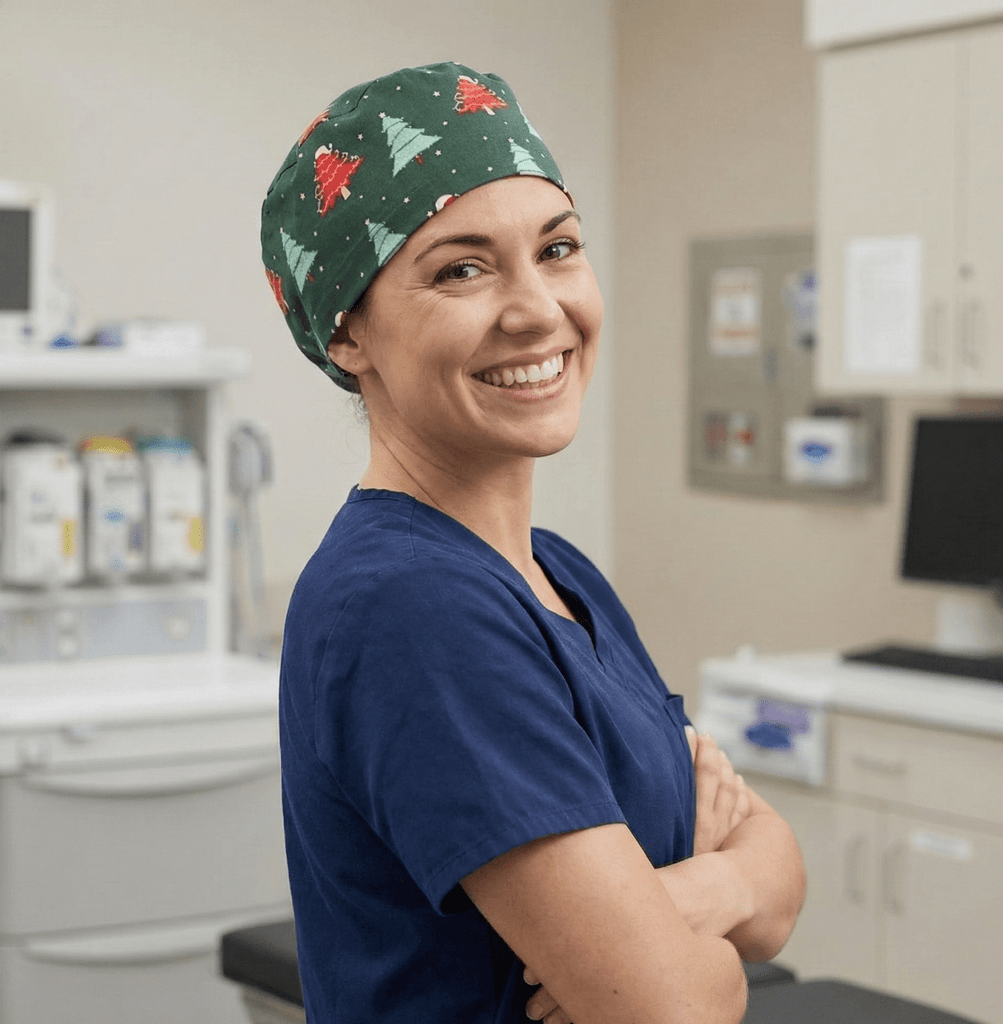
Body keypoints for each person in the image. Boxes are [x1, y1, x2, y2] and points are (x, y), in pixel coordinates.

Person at [262, 62, 805, 1024]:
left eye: (557, 249)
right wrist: (699, 941)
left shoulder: (556, 573)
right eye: (461, 269)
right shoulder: (411, 605)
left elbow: (779, 875)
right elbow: (670, 1010)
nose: (537, 309)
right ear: (349, 334)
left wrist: (693, 897)